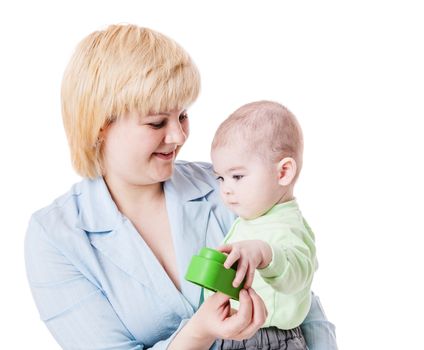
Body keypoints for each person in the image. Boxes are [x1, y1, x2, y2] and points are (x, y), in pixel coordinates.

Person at [24, 24, 338, 350]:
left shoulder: (226, 183)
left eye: (183, 116)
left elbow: (302, 302)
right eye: (157, 122)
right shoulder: (56, 237)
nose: (178, 137)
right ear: (100, 126)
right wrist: (198, 334)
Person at [208, 101, 316, 349]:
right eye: (220, 177)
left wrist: (265, 254)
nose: (226, 189)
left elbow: (297, 273)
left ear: (283, 173)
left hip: (273, 340)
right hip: (231, 335)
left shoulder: (288, 225)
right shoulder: (250, 219)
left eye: (237, 176)